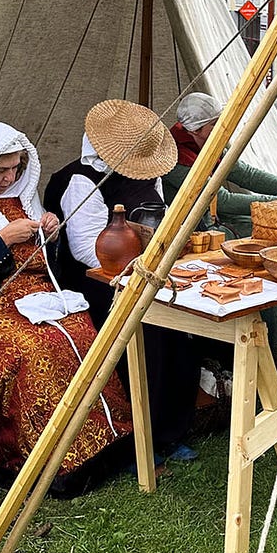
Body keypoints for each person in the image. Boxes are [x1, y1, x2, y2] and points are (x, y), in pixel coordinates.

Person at [0, 122, 133, 489]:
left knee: (82, 332)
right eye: (0, 170)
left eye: (15, 168)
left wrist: (50, 235)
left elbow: (41, 264)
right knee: (34, 350)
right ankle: (42, 461)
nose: (8, 178)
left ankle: (105, 444)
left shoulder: (19, 196)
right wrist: (1, 241)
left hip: (30, 297)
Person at [41, 100, 202, 462]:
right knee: (148, 328)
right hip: (96, 279)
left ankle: (173, 428)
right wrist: (136, 268)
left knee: (184, 321)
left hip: (144, 268)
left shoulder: (149, 172)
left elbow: (158, 218)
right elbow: (86, 249)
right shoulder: (79, 180)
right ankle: (144, 434)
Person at [160, 91, 277, 362]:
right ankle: (273, 348)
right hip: (194, 233)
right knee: (257, 262)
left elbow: (243, 174)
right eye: (213, 124)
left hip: (217, 222)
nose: (220, 128)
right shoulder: (174, 159)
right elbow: (222, 199)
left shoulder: (210, 143)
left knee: (274, 244)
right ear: (194, 129)